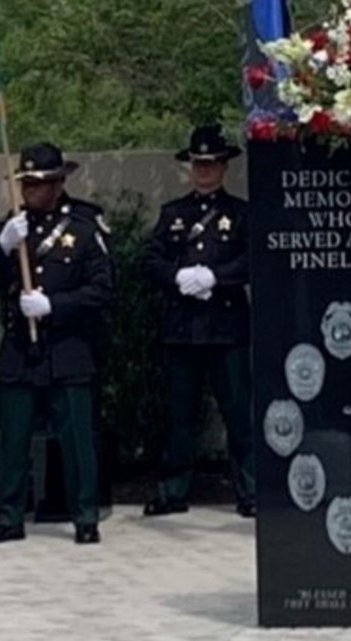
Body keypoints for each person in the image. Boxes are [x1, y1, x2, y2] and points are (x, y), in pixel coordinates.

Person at [0, 143, 112, 545]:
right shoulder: (10, 227)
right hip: (21, 348)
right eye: (27, 183)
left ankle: (85, 516)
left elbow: (103, 290)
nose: (33, 191)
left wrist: (55, 305)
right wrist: (1, 247)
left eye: (41, 183)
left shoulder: (85, 227)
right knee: (13, 440)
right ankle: (9, 517)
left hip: (68, 347)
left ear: (58, 183)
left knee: (76, 440)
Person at [142, 124, 255, 519]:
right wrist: (176, 278)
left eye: (212, 163)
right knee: (179, 415)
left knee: (239, 412)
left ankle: (251, 489)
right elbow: (151, 259)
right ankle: (173, 490)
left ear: (224, 167)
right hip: (183, 326)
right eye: (198, 163)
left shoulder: (241, 213)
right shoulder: (174, 214)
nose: (204, 170)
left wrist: (216, 278)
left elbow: (252, 260)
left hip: (226, 327)